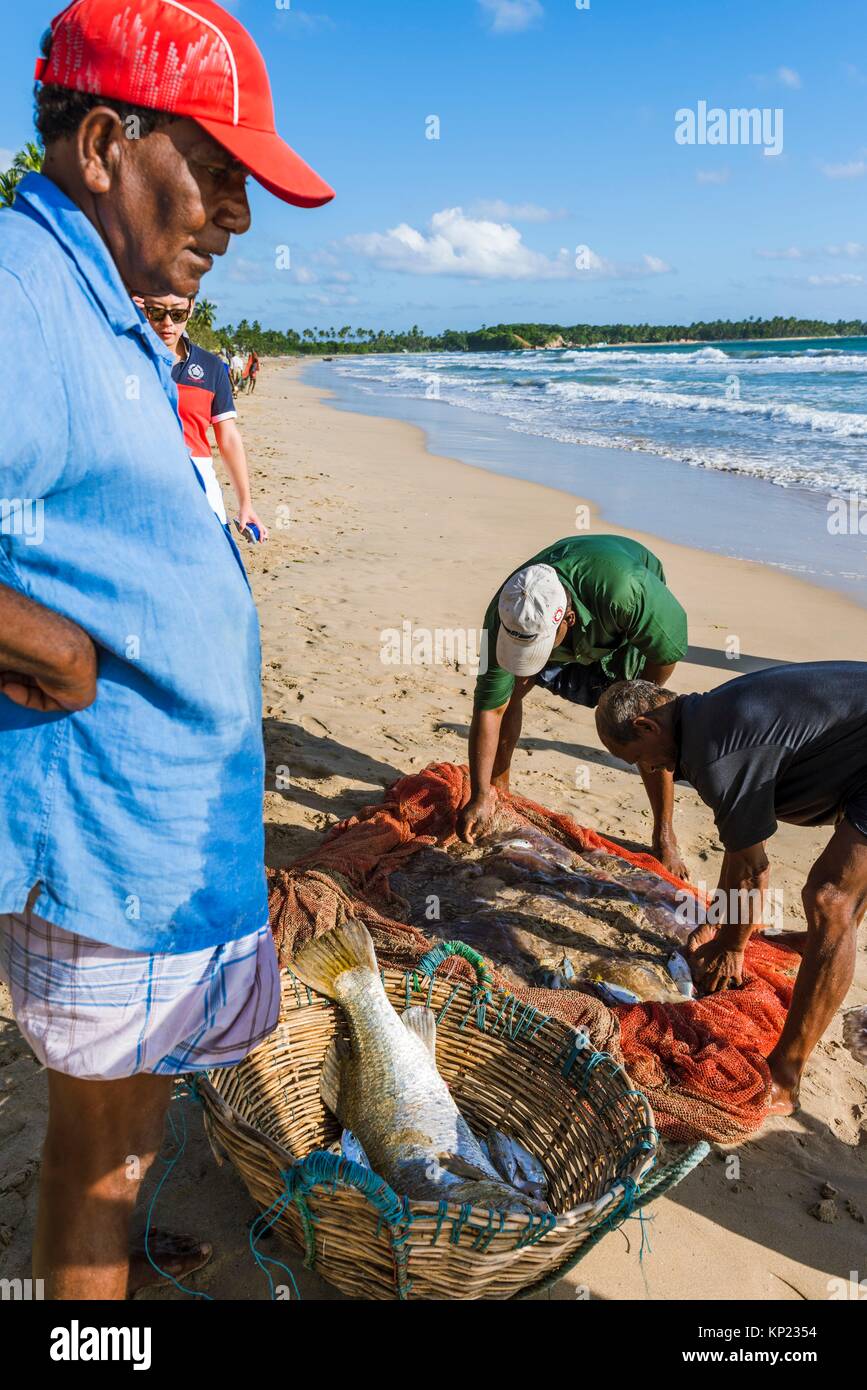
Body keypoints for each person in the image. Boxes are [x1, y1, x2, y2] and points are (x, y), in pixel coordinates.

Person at [0, 0, 332, 1301]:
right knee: (96, 1155)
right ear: (100, 142)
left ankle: (114, 1266)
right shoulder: (23, 296)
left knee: (124, 1142)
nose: (236, 215)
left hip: (156, 839)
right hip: (104, 842)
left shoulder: (95, 297)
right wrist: (50, 653)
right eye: (214, 172)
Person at [594, 662, 867, 1116]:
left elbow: (753, 869)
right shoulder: (705, 714)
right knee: (844, 882)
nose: (649, 768)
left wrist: (731, 946)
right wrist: (721, 923)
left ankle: (785, 1074)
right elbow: (739, 852)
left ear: (646, 724)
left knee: (830, 898)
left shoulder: (717, 756)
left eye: (639, 756)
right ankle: (811, 945)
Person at [458, 536, 689, 875]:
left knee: (643, 723)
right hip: (574, 627)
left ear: (565, 619)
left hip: (616, 624)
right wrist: (481, 793)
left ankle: (665, 833)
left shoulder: (627, 592)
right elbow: (491, 708)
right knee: (513, 692)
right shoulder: (508, 610)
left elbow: (669, 649)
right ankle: (500, 791)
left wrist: (642, 694)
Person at [138, 292, 268, 537]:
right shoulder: (124, 360)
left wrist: (245, 503)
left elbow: (228, 438)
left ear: (191, 307)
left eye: (177, 314)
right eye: (156, 313)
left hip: (200, 488)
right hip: (142, 487)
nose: (167, 324)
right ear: (143, 308)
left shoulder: (212, 368)